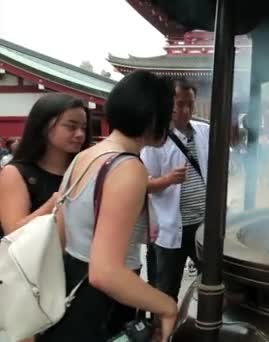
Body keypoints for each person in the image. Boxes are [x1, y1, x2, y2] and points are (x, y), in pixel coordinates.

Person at [38, 71, 177, 342]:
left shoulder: (85, 157)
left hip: (68, 288)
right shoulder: (128, 169)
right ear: (152, 116)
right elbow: (105, 272)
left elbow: (63, 234)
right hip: (101, 304)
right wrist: (166, 305)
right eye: (167, 113)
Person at [141, 78, 209, 301]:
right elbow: (143, 184)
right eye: (179, 104)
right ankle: (164, 331)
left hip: (203, 224)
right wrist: (168, 180)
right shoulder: (156, 140)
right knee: (166, 289)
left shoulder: (205, 132)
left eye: (190, 104)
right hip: (172, 227)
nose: (186, 110)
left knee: (211, 279)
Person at [0, 94, 89, 236]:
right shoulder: (15, 173)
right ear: (44, 126)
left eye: (83, 128)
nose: (80, 134)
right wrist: (55, 202)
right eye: (71, 126)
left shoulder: (85, 170)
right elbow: (13, 233)